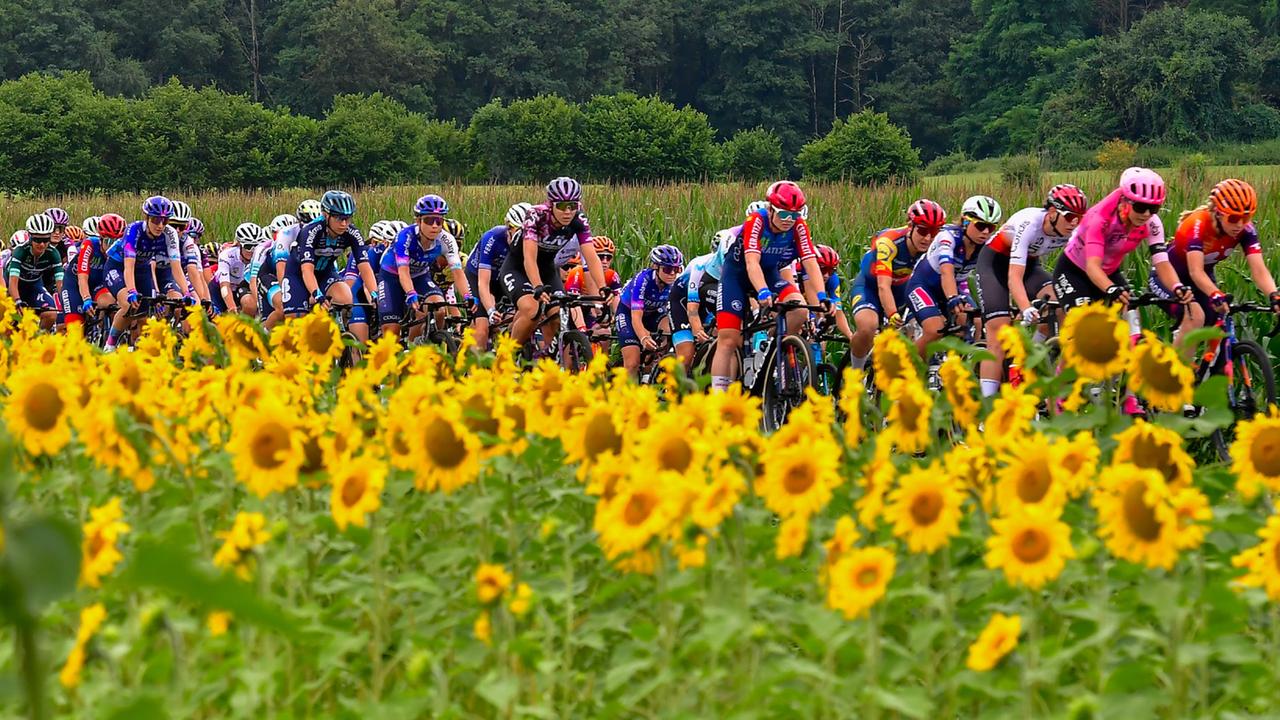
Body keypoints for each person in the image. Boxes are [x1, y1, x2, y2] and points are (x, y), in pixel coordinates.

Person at [710, 181, 832, 392]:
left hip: (769, 273)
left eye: (795, 216)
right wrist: (762, 291)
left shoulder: (799, 226)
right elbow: (751, 262)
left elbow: (810, 262)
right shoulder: (757, 220)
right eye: (784, 215)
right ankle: (718, 395)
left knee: (800, 310)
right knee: (728, 339)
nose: (789, 221)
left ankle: (773, 350)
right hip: (737, 276)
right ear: (770, 208)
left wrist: (822, 296)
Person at [976, 184, 1087, 396]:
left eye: (1079, 218)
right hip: (994, 264)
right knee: (999, 331)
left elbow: (1080, 269)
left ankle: (1028, 366)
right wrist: (1025, 308)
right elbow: (1013, 277)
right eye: (1069, 216)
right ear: (1052, 213)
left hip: (1029, 267)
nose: (1074, 223)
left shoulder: (1072, 232)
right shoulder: (1030, 223)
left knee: (1059, 305)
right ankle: (988, 406)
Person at [1053, 167, 1192, 319]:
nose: (1146, 214)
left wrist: (1177, 287)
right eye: (1140, 207)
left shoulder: (1152, 223)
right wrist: (1111, 289)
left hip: (1109, 273)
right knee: (1087, 322)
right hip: (1074, 272)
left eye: (1153, 208)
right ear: (1125, 201)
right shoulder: (1100, 220)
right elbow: (1092, 267)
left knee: (1132, 313)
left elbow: (1162, 264)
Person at [1154, 178, 1280, 336]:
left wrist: (1274, 295)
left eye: (1246, 218)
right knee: (1195, 317)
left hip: (1202, 279)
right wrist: (1215, 294)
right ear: (1219, 213)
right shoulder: (1197, 224)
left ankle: (1212, 360)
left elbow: (1259, 270)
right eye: (1233, 218)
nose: (1240, 224)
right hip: (1168, 278)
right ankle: (1179, 360)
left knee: (1220, 323)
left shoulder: (1245, 230)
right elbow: (1195, 271)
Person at [500, 177, 609, 347]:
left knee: (559, 313)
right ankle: (506, 356)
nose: (567, 212)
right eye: (561, 206)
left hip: (547, 269)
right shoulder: (536, 216)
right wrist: (537, 286)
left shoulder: (578, 219)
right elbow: (529, 257)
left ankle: (547, 358)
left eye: (572, 206)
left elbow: (591, 256)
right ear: (551, 205)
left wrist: (603, 287)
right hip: (518, 268)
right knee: (532, 310)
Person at [846, 199, 945, 370]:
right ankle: (856, 376)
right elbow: (883, 286)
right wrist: (891, 313)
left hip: (902, 292)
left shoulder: (936, 247)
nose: (928, 238)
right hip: (870, 288)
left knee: (921, 334)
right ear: (910, 226)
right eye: (922, 230)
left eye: (934, 232)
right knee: (867, 328)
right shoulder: (889, 242)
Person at [906, 195, 1001, 356]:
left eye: (990, 228)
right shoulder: (948, 237)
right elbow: (946, 271)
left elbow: (996, 275)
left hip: (955, 287)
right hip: (923, 285)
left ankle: (961, 365)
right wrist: (952, 297)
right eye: (980, 226)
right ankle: (904, 367)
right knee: (934, 330)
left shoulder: (987, 245)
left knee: (975, 323)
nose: (985, 232)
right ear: (965, 221)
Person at [377, 194, 470, 340]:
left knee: (439, 310)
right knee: (391, 331)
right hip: (392, 277)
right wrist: (410, 292)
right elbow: (403, 271)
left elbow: (457, 273)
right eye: (428, 220)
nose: (434, 225)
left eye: (438, 221)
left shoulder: (446, 240)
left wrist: (467, 296)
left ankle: (422, 345)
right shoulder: (405, 237)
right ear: (418, 221)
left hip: (420, 275)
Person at [103, 196, 188, 350]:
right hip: (118, 266)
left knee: (150, 310)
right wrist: (132, 291)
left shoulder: (169, 233)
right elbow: (128, 266)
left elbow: (176, 267)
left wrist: (186, 292)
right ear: (147, 218)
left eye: (165, 220)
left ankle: (139, 348)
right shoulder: (134, 230)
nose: (161, 225)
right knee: (129, 305)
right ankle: (110, 345)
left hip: (142, 269)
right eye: (156, 220)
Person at [281, 190, 377, 318]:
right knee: (296, 318)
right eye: (339, 218)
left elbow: (365, 267)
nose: (344, 224)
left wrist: (374, 294)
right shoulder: (311, 231)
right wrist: (317, 294)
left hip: (325, 272)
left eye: (347, 218)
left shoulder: (352, 233)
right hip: (298, 274)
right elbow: (307, 270)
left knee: (345, 299)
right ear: (326, 215)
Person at [467, 203, 531, 350]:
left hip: (504, 278)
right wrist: (490, 310)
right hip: (478, 276)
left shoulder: (531, 242)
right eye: (518, 232)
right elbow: (483, 284)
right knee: (482, 329)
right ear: (509, 227)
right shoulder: (493, 237)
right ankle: (473, 370)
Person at [618, 244, 683, 379]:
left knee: (671, 329)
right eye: (667, 269)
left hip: (655, 313)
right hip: (629, 313)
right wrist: (644, 337)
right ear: (656, 267)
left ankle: (656, 364)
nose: (672, 274)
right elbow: (636, 316)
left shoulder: (677, 281)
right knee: (632, 363)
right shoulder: (643, 280)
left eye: (676, 269)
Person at [64, 213, 126, 327]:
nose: (113, 247)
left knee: (109, 304)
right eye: (109, 242)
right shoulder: (90, 244)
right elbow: (82, 276)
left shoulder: (121, 252)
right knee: (74, 329)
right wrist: (86, 299)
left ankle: (102, 330)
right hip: (74, 284)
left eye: (117, 243)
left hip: (99, 284)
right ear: (101, 239)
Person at [8, 213, 63, 330]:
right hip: (13, 286)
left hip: (34, 286)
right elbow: (12, 283)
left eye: (46, 240)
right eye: (37, 240)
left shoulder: (53, 253)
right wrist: (17, 301)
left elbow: (60, 283)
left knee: (51, 314)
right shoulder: (20, 251)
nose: (42, 244)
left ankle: (38, 342)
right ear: (30, 238)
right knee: (11, 321)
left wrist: (67, 302)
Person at [213, 223, 263, 315]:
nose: (252, 250)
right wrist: (232, 308)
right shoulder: (227, 255)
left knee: (250, 306)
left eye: (256, 246)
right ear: (239, 244)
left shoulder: (261, 256)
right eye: (248, 246)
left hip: (242, 287)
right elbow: (224, 286)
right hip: (221, 288)